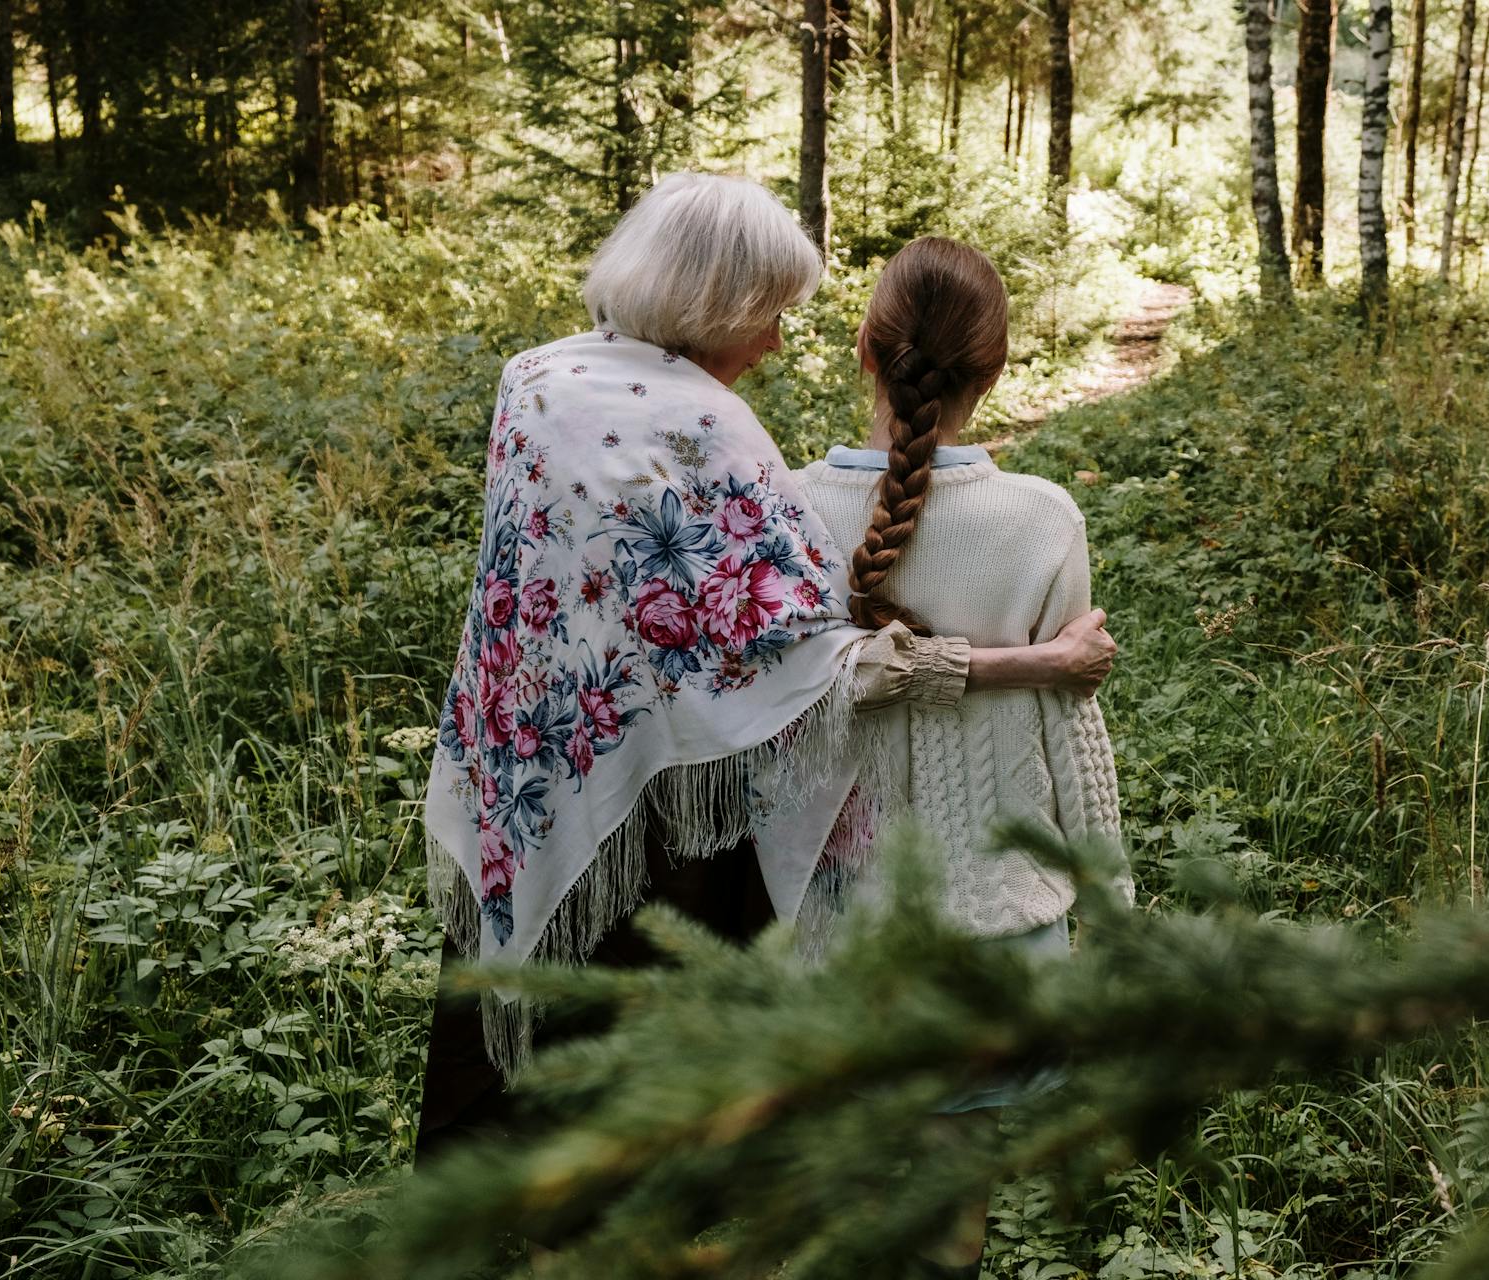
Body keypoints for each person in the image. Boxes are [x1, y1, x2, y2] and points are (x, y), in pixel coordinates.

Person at [413, 176, 1117, 1173]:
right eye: (772, 313)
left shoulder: (535, 382)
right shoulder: (719, 434)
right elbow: (813, 666)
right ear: (711, 304)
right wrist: (1039, 663)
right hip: (673, 819)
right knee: (641, 1109)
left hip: (544, 777)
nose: (780, 342)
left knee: (552, 1098)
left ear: (875, 350)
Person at [795, 236, 1130, 1278]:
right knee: (953, 1211)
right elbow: (1071, 722)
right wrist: (1112, 907)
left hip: (825, 927)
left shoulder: (788, 507)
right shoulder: (1041, 519)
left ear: (864, 347)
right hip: (995, 925)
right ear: (996, 368)